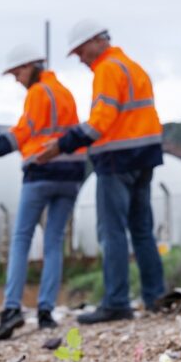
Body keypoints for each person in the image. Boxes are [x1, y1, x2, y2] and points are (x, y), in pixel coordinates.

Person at [37, 20, 165, 324]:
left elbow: (98, 123)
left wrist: (62, 145)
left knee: (112, 232)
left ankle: (117, 302)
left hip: (117, 160)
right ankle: (156, 297)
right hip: (145, 156)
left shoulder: (107, 70)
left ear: (97, 41)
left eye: (81, 51)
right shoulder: (133, 67)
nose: (80, 58)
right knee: (142, 230)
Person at [0, 44, 85, 340]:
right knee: (54, 242)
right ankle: (46, 312)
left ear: (31, 67)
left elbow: (19, 137)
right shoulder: (65, 93)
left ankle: (12, 309)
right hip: (72, 175)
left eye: (17, 72)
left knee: (21, 239)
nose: (16, 79)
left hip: (40, 173)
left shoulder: (37, 94)